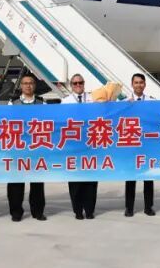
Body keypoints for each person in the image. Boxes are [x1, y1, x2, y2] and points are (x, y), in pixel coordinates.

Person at [9, 74, 48, 221]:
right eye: (25, 83)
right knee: (16, 182)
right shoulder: (12, 104)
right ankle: (16, 212)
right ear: (21, 86)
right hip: (18, 148)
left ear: (35, 85)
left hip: (36, 147)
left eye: (31, 83)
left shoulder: (42, 104)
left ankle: (37, 211)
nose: (28, 86)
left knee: (37, 182)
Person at [62, 74, 98, 219]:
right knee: (75, 180)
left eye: (80, 82)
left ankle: (89, 210)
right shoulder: (65, 101)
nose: (78, 85)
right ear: (71, 85)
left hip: (90, 144)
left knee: (91, 180)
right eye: (75, 83)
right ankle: (77, 210)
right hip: (73, 145)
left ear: (84, 83)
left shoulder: (93, 99)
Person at [125, 73, 156, 217]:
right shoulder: (125, 102)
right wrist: (127, 108)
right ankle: (129, 208)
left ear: (145, 84)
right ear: (132, 84)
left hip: (147, 145)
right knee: (130, 178)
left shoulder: (151, 101)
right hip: (131, 145)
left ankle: (148, 207)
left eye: (141, 82)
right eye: (136, 82)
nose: (139, 85)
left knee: (148, 178)